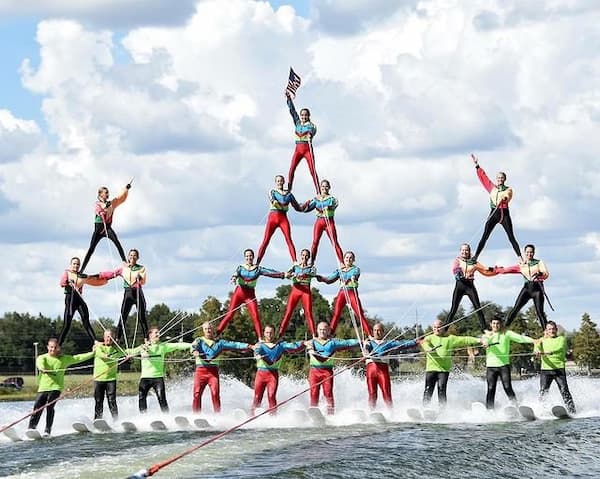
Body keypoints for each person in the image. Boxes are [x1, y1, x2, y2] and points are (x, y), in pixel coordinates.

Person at [27, 338, 95, 435]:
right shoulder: (42, 357)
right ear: (48, 347)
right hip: (43, 388)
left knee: (50, 407)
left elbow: (78, 358)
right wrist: (42, 368)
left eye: (55, 347)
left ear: (58, 348)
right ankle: (31, 429)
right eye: (51, 347)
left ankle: (47, 430)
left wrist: (93, 353)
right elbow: (39, 363)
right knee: (37, 408)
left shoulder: (64, 359)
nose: (53, 349)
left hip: (56, 388)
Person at [216, 249, 285, 340]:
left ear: (253, 257)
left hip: (250, 295)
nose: (249, 258)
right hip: (239, 293)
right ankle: (216, 334)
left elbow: (270, 272)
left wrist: (283, 274)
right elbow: (236, 273)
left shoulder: (257, 269)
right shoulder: (241, 267)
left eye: (250, 256)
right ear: (245, 257)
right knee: (229, 314)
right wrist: (233, 278)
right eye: (247, 256)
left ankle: (260, 338)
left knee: (255, 316)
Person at [191, 321, 251, 414]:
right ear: (203, 330)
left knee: (215, 394)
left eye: (209, 328)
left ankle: (217, 415)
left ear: (213, 329)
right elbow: (193, 347)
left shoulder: (220, 343)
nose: (208, 330)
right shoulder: (199, 340)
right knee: (197, 394)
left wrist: (248, 346)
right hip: (200, 371)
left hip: (213, 372)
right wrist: (194, 351)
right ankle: (196, 415)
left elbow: (234, 344)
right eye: (206, 329)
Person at [420, 319, 482, 407]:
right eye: (434, 327)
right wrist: (428, 349)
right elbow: (423, 343)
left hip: (443, 370)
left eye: (438, 327)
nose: (436, 329)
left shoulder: (450, 339)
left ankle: (442, 410)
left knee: (442, 389)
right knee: (428, 389)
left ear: (443, 328)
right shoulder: (429, 338)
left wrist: (479, 340)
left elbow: (465, 339)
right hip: (431, 369)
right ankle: (425, 408)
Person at [131, 326, 192, 414]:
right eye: (156, 333)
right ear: (150, 335)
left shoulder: (163, 346)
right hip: (145, 378)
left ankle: (166, 416)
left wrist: (191, 345)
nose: (158, 334)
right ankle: (143, 416)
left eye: (158, 333)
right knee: (142, 397)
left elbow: (177, 345)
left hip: (158, 378)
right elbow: (130, 351)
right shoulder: (143, 347)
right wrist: (124, 354)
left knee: (162, 398)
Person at [471, 154, 521, 260]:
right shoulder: (492, 188)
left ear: (504, 179)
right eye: (498, 178)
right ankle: (476, 256)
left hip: (504, 213)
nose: (500, 179)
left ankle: (520, 258)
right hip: (493, 213)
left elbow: (508, 195)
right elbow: (484, 178)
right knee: (485, 235)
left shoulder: (508, 189)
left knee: (511, 237)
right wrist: (477, 165)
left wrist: (505, 198)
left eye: (501, 178)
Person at [305, 321, 361, 415]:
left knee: (328, 393)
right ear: (317, 330)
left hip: (327, 371)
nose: (322, 331)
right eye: (320, 329)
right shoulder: (311, 342)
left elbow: (347, 343)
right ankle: (313, 412)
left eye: (324, 329)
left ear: (328, 331)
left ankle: (330, 414)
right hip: (314, 371)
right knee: (314, 393)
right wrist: (309, 348)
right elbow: (299, 345)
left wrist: (360, 341)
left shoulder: (333, 342)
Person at [482, 316, 535, 410]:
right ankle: (489, 410)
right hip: (491, 367)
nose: (496, 325)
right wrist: (486, 342)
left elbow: (520, 338)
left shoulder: (506, 334)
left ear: (500, 324)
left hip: (503, 366)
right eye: (494, 323)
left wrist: (534, 341)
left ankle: (516, 406)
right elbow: (484, 340)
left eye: (497, 323)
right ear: (491, 324)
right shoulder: (487, 335)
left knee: (507, 387)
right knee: (490, 389)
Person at [251, 325, 304, 415]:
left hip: (272, 374)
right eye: (267, 332)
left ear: (274, 333)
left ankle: (273, 415)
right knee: (257, 396)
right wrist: (257, 355)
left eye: (271, 332)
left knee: (271, 396)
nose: (269, 335)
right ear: (264, 333)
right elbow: (256, 351)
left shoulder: (280, 345)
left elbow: (293, 346)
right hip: (260, 374)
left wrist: (303, 343)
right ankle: (252, 414)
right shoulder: (260, 345)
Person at [364, 322, 419, 409]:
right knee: (372, 393)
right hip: (371, 371)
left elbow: (403, 344)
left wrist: (415, 342)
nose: (376, 332)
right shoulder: (369, 342)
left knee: (386, 393)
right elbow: (365, 349)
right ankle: (371, 411)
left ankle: (390, 411)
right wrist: (367, 351)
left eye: (379, 330)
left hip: (382, 370)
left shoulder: (388, 343)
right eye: (375, 330)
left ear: (383, 332)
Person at [317, 251, 372, 336]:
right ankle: (330, 334)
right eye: (347, 257)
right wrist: (321, 278)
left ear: (353, 260)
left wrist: (352, 278)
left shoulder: (355, 269)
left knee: (359, 313)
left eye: (350, 258)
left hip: (351, 292)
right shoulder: (340, 270)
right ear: (344, 259)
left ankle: (369, 335)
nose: (348, 259)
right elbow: (329, 279)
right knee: (336, 313)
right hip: (342, 292)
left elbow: (355, 275)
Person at [446, 243, 498, 333]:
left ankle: (484, 328)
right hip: (460, 285)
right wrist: (459, 275)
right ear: (460, 251)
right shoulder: (457, 260)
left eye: (466, 250)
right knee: (454, 309)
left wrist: (496, 270)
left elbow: (485, 269)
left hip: (470, 286)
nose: (465, 252)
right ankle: (444, 328)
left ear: (469, 251)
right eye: (463, 250)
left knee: (478, 307)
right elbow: (455, 269)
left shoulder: (474, 262)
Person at [100, 249, 148, 342]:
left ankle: (146, 338)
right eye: (131, 255)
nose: (132, 257)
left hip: (138, 293)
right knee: (123, 317)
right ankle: (117, 338)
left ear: (137, 258)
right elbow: (112, 274)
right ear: (128, 257)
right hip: (128, 294)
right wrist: (101, 275)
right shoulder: (123, 268)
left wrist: (140, 277)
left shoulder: (141, 268)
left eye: (134, 255)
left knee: (142, 317)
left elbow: (143, 281)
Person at [81, 183, 131, 272]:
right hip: (99, 228)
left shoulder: (111, 203)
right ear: (100, 194)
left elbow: (120, 198)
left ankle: (124, 261)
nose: (107, 194)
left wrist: (126, 189)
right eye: (105, 192)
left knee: (116, 242)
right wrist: (105, 208)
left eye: (108, 192)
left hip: (107, 227)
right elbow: (99, 210)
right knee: (91, 249)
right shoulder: (97, 203)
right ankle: (81, 270)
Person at [497, 244, 549, 329]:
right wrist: (495, 270)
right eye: (527, 252)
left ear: (534, 253)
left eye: (531, 252)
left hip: (537, 289)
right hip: (527, 288)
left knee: (540, 312)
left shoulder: (539, 263)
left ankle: (546, 332)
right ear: (525, 253)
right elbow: (507, 270)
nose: (529, 254)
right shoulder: (522, 265)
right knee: (516, 308)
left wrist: (540, 274)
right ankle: (504, 328)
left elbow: (546, 274)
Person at [59, 256, 108, 345]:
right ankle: (59, 345)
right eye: (74, 264)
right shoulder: (67, 273)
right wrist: (68, 282)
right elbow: (62, 283)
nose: (76, 266)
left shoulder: (82, 276)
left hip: (79, 299)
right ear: (71, 265)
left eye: (78, 264)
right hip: (70, 299)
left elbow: (94, 278)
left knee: (86, 321)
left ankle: (95, 341)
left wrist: (106, 278)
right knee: (67, 324)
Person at [256, 175, 303, 265]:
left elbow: (297, 206)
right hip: (273, 217)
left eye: (281, 181)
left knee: (289, 239)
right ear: (275, 182)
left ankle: (295, 262)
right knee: (266, 240)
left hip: (283, 218)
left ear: (284, 181)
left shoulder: (289, 194)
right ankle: (257, 262)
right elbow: (274, 202)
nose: (280, 182)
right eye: (278, 181)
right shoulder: (272, 191)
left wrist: (306, 206)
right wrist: (284, 205)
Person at [534, 321, 576, 414]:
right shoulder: (542, 340)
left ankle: (572, 411)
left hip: (559, 369)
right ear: (546, 330)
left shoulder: (561, 339)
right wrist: (537, 351)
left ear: (556, 330)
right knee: (543, 391)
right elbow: (536, 345)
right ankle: (541, 411)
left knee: (564, 390)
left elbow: (560, 348)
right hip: (545, 370)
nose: (552, 331)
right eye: (549, 329)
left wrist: (551, 351)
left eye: (553, 329)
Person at [301, 179, 344, 264]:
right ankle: (312, 261)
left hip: (329, 222)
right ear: (320, 187)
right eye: (323, 186)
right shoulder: (317, 199)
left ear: (329, 187)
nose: (324, 188)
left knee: (334, 242)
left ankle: (342, 262)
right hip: (319, 222)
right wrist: (304, 205)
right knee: (315, 241)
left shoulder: (332, 199)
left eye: (326, 186)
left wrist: (328, 207)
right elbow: (307, 209)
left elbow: (333, 206)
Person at [279, 249, 318, 338]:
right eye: (303, 255)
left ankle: (314, 335)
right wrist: (291, 275)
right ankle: (280, 335)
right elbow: (287, 275)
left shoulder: (311, 268)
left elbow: (314, 274)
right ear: (300, 256)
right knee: (288, 312)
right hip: (296, 290)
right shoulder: (295, 266)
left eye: (306, 256)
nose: (304, 257)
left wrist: (302, 275)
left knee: (308, 312)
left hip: (306, 290)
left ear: (308, 257)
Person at [285, 90, 318, 193]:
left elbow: (312, 131)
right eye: (302, 115)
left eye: (305, 115)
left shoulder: (311, 125)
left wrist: (310, 134)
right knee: (291, 169)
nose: (303, 117)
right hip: (298, 150)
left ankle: (318, 191)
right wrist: (289, 99)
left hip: (307, 150)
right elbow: (292, 111)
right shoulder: (298, 123)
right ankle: (289, 189)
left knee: (312, 171)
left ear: (308, 116)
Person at [93, 328, 125, 420]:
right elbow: (100, 354)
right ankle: (97, 420)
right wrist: (105, 356)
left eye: (111, 337)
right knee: (98, 401)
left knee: (112, 401)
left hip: (111, 380)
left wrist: (140, 348)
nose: (109, 339)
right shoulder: (98, 347)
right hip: (98, 380)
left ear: (114, 338)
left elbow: (128, 351)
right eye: (107, 337)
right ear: (104, 337)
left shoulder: (117, 350)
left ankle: (116, 420)